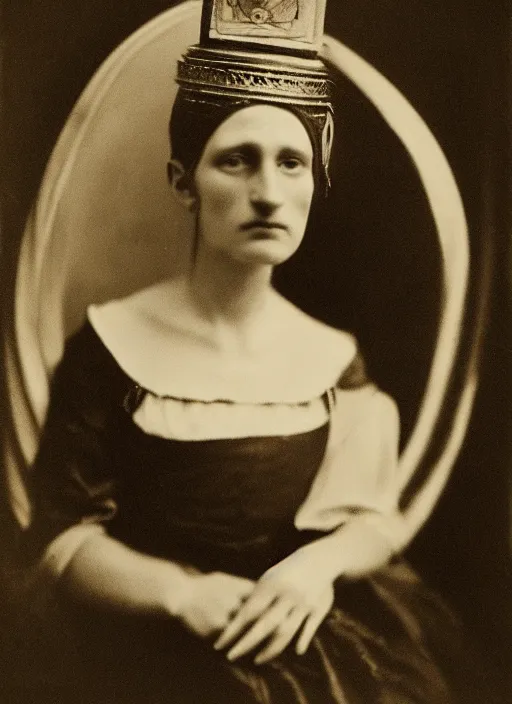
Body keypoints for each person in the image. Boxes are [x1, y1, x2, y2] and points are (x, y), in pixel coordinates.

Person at [19, 3, 489, 703]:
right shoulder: (110, 347)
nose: (268, 193)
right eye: (236, 161)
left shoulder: (331, 357)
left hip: (297, 630)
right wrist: (183, 593)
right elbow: (61, 541)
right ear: (184, 183)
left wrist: (316, 569)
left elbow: (372, 518)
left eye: (291, 163)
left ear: (314, 182)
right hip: (149, 639)